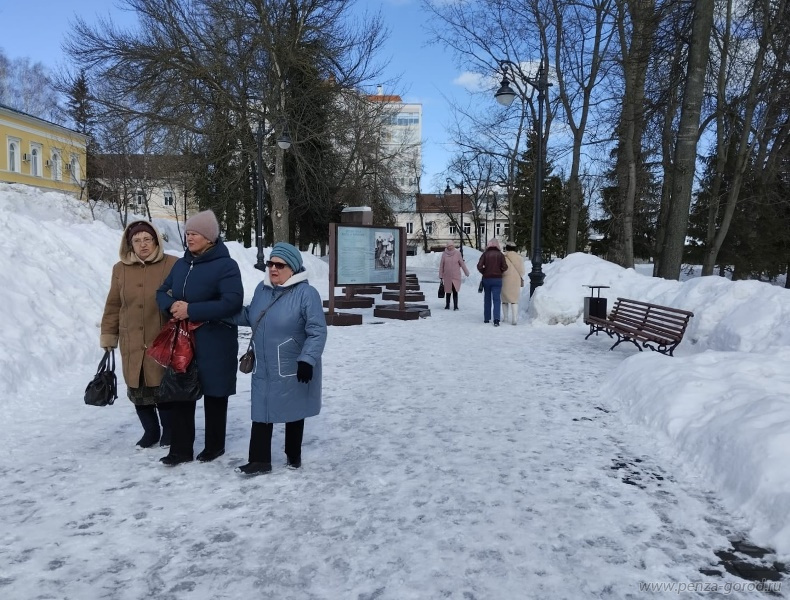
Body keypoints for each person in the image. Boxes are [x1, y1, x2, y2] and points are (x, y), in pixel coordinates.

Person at [231, 242, 327, 476]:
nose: (273, 268)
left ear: (292, 268)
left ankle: (293, 456)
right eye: (270, 264)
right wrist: (218, 311)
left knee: (294, 409)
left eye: (279, 265)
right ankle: (259, 460)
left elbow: (317, 330)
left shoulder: (307, 294)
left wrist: (307, 359)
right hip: (264, 363)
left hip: (293, 364)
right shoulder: (262, 290)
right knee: (262, 409)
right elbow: (250, 315)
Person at [155, 210, 243, 466]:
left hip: (215, 340)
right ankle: (180, 450)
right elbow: (162, 291)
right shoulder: (182, 264)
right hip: (185, 341)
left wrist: (191, 309)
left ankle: (214, 446)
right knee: (182, 392)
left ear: (209, 237)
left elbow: (232, 302)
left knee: (215, 395)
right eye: (187, 234)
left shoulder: (227, 266)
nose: (189, 238)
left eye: (194, 234)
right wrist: (171, 306)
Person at [101, 220, 178, 448]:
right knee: (138, 389)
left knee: (162, 390)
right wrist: (109, 336)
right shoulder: (120, 269)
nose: (143, 244)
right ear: (129, 244)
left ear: (156, 241)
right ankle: (151, 432)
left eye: (147, 239)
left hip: (161, 337)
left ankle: (169, 432)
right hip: (131, 338)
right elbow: (113, 305)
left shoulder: (172, 264)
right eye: (137, 240)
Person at [477, 238, 508, 326]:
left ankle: (487, 318)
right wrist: (500, 271)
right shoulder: (500, 255)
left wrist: (484, 271)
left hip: (487, 279)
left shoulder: (485, 254)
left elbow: (479, 266)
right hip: (497, 279)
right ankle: (496, 319)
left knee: (487, 298)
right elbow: (505, 267)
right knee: (497, 299)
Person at [438, 242, 470, 310]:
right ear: (447, 247)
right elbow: (441, 265)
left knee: (455, 290)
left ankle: (455, 306)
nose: (450, 247)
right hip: (447, 275)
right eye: (449, 246)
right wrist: (441, 275)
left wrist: (466, 272)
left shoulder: (457, 253)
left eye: (451, 246)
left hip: (456, 275)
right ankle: (447, 305)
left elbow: (462, 263)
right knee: (448, 291)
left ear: (453, 246)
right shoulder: (444, 254)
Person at [502, 241, 526, 325]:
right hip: (516, 280)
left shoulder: (503, 257)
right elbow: (522, 271)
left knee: (504, 300)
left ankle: (505, 318)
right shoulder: (519, 258)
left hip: (505, 279)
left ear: (507, 247)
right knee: (514, 300)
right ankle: (514, 319)